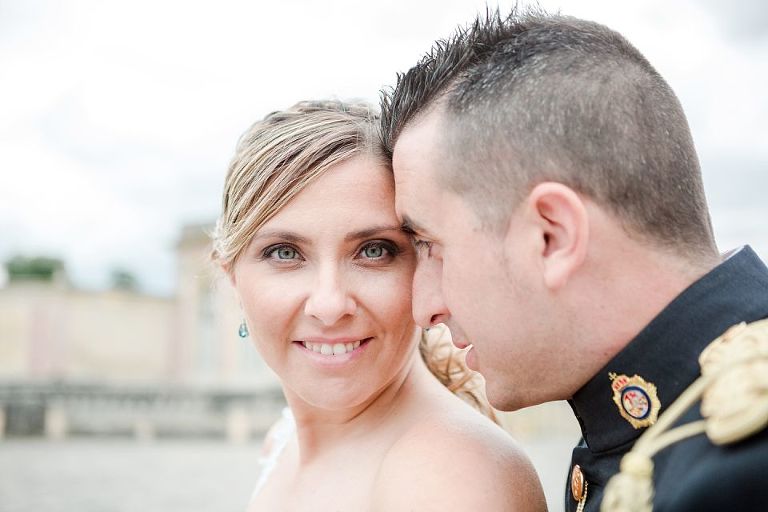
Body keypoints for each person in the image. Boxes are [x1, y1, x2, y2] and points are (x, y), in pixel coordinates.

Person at [381, 8, 768, 512]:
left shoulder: (741, 475)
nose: (422, 308)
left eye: (431, 245)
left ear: (552, 236)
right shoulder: (670, 440)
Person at [212, 100, 546, 511]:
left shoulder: (450, 478)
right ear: (232, 277)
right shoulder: (283, 441)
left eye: (374, 251)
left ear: (426, 264)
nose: (330, 304)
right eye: (284, 253)